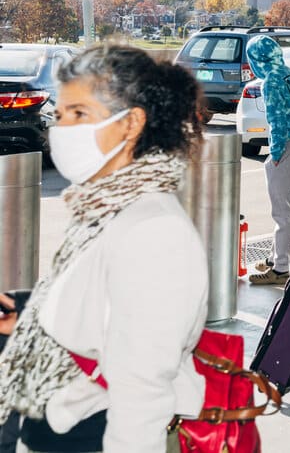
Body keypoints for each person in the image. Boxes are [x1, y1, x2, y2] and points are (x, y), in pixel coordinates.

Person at [0, 44, 209, 453]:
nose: (62, 129)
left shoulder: (155, 230)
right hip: (57, 425)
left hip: (95, 436)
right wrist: (24, 310)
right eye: (60, 115)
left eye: (80, 114)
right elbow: (101, 304)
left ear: (131, 123)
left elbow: (142, 392)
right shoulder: (105, 206)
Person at [247, 35, 290, 285]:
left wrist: (275, 153)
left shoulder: (271, 81)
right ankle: (275, 257)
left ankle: (280, 268)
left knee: (282, 211)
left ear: (256, 58)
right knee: (287, 206)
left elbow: (277, 120)